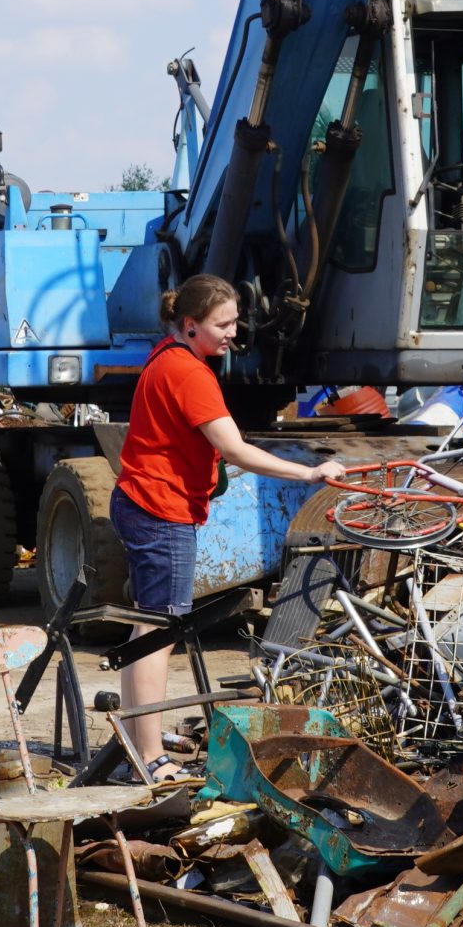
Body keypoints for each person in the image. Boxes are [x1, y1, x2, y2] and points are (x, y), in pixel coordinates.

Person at [112, 272, 342, 778]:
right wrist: (309, 471)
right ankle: (149, 759)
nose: (234, 332)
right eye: (224, 323)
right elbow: (234, 449)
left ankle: (134, 744)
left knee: (146, 626)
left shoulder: (167, 356)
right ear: (190, 324)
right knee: (159, 631)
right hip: (160, 509)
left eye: (235, 321)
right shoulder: (191, 374)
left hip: (140, 501)